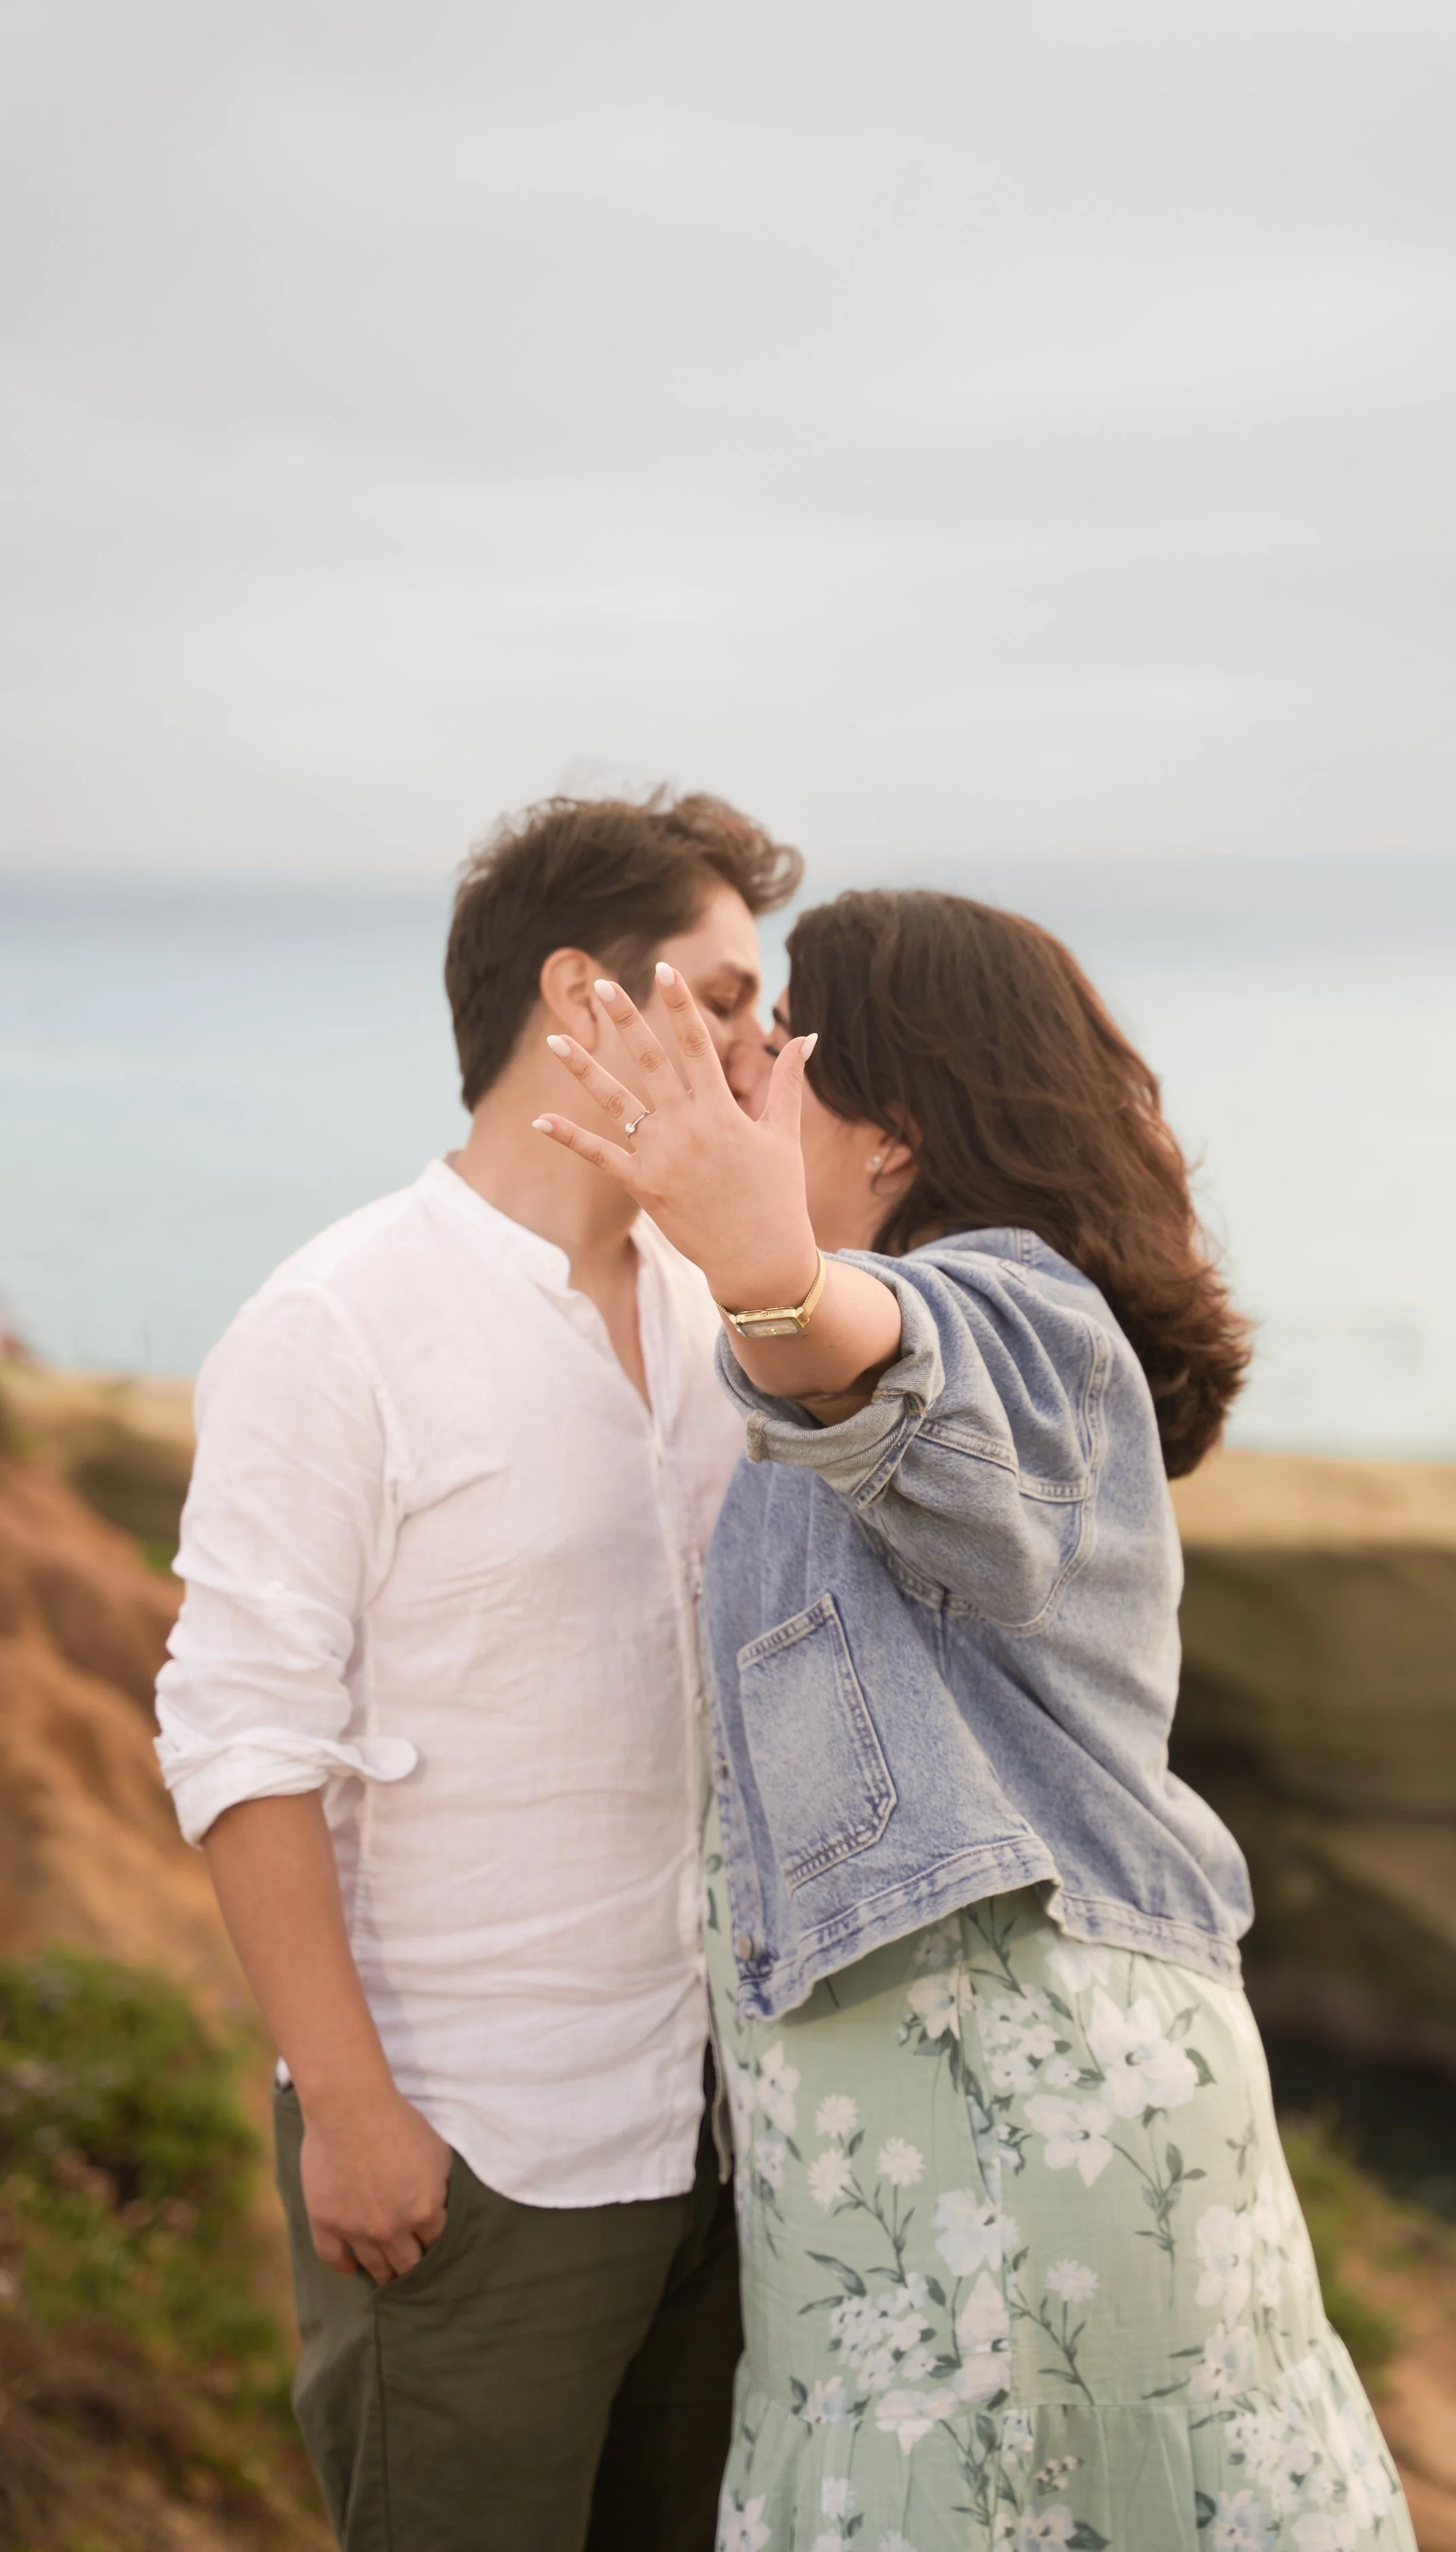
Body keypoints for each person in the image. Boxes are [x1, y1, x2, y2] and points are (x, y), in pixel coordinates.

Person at [533, 886, 1418, 2552]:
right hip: (906, 2143)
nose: (752, 1081)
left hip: (1018, 2115)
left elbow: (885, 1371)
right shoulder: (875, 1321)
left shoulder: (1017, 1309)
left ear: (895, 1128)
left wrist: (767, 1265)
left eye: (787, 1048)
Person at [155, 790, 802, 2552]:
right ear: (581, 994)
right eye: (728, 997)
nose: (765, 1046)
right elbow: (235, 1730)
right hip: (474, 2158)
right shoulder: (335, 1322)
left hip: (724, 2154)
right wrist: (350, 2110)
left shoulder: (715, 1303)